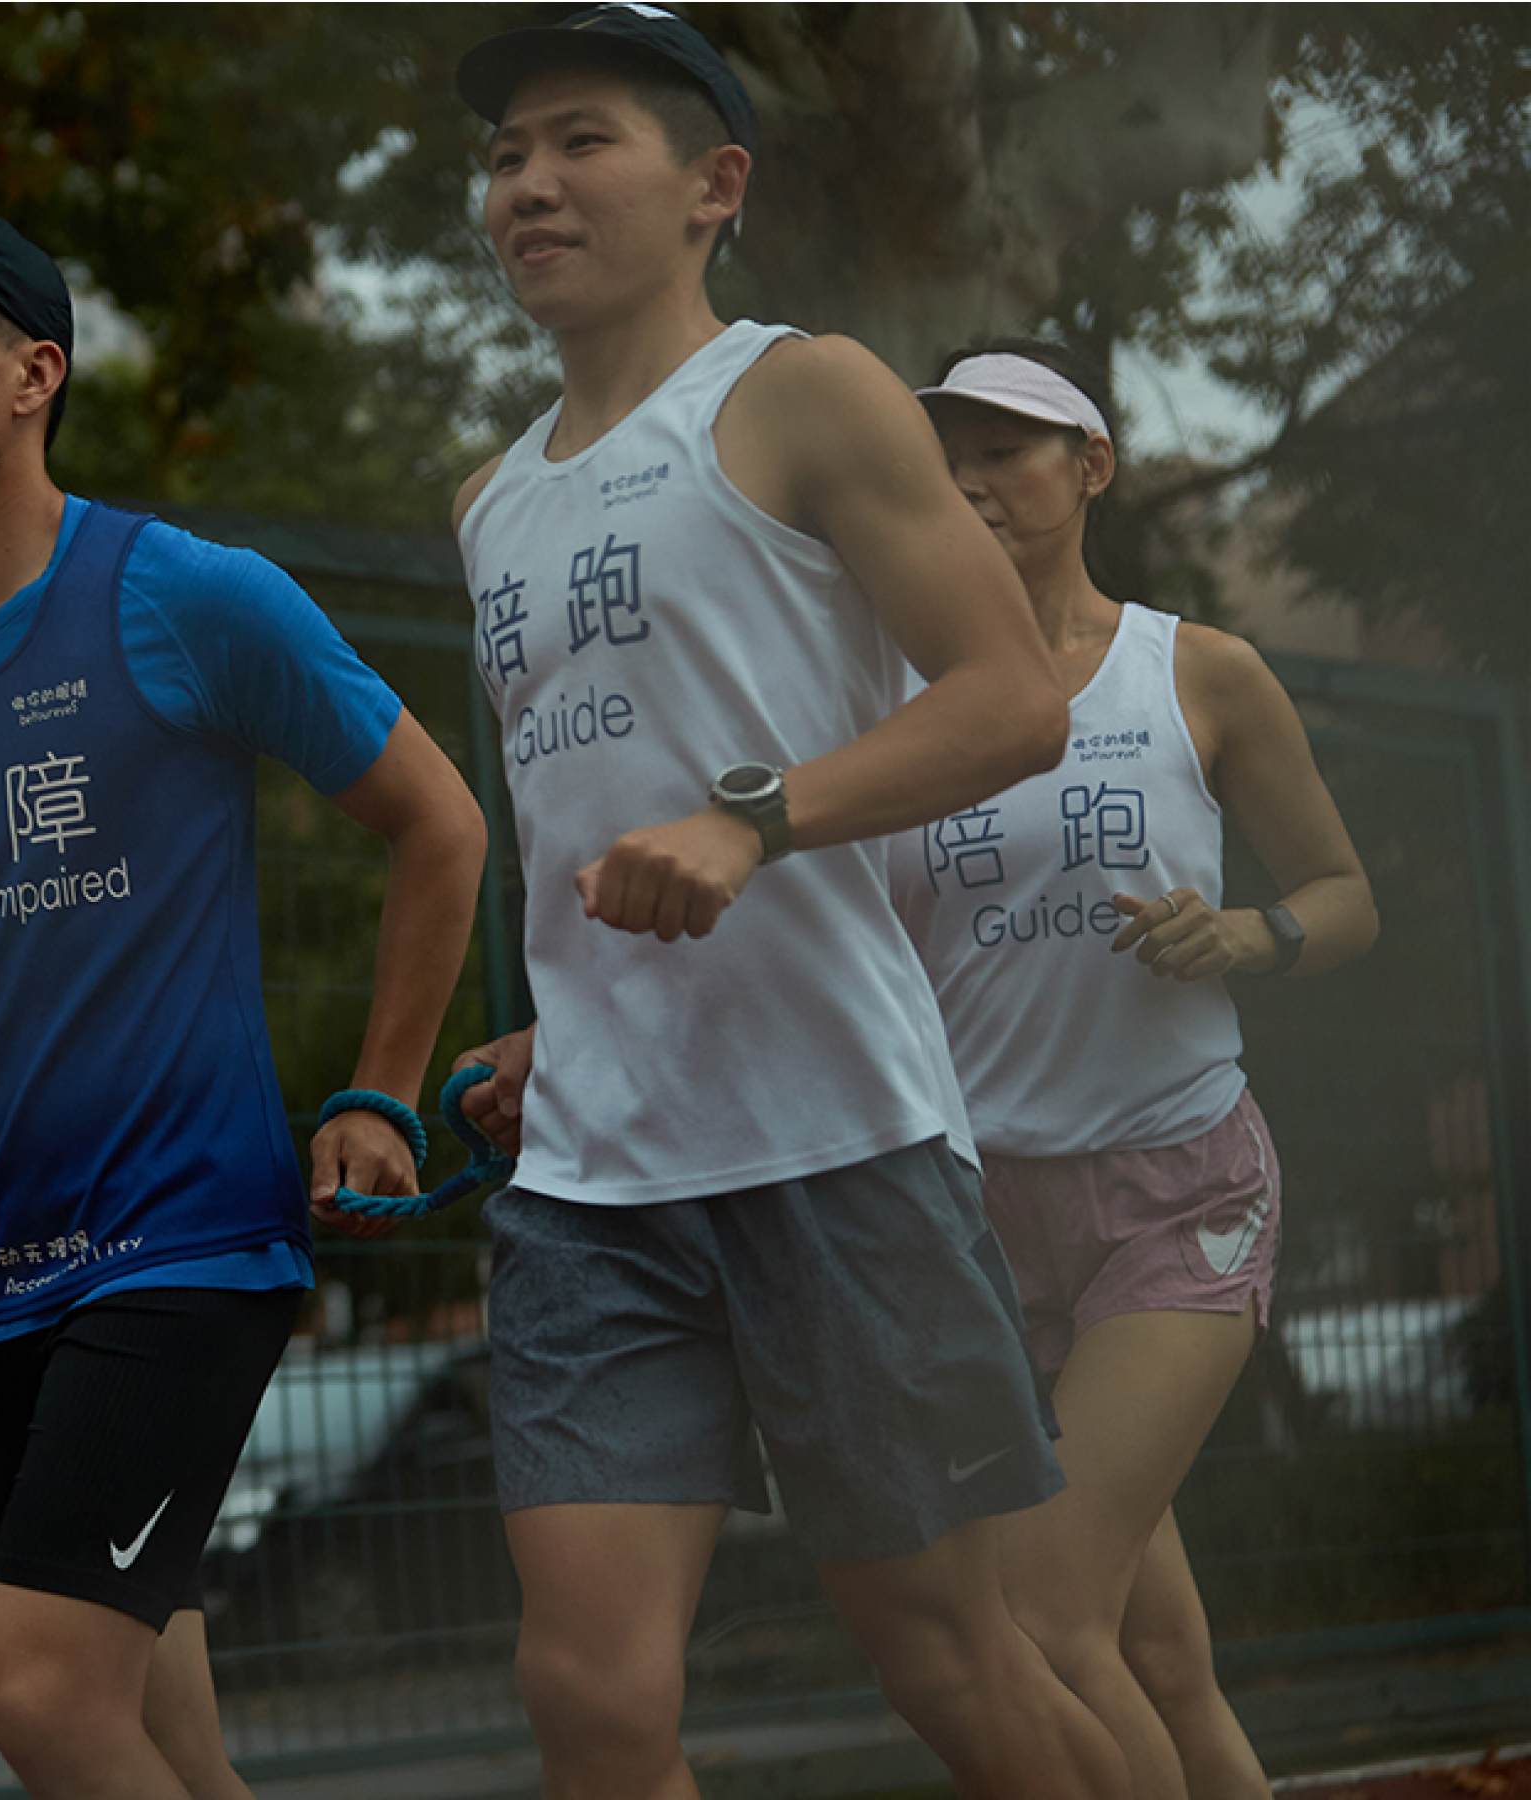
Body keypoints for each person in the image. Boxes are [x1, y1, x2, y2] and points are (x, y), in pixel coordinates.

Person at [434, 10, 1136, 1797]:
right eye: (507, 153)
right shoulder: (489, 502)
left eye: (581, 142)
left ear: (713, 186)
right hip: (596, 1180)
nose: (529, 185)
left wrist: (756, 821)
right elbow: (580, 816)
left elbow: (1008, 698)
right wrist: (558, 1013)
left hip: (839, 1142)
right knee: (592, 1697)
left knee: (957, 1670)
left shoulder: (801, 390)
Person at [0, 211, 487, 1799]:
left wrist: (378, 1092)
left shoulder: (186, 596)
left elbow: (441, 821)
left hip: (184, 1243)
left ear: (34, 373)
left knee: (36, 1690)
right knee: (157, 1727)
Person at [901, 340, 1380, 1800]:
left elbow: (1348, 894)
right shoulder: (896, 693)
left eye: (1011, 448)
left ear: (1090, 465)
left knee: (1041, 1626)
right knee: (1157, 1664)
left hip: (1179, 1190)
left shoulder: (1199, 670)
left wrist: (1247, 932)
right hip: (980, 1224)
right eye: (951, 453)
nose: (976, 480)